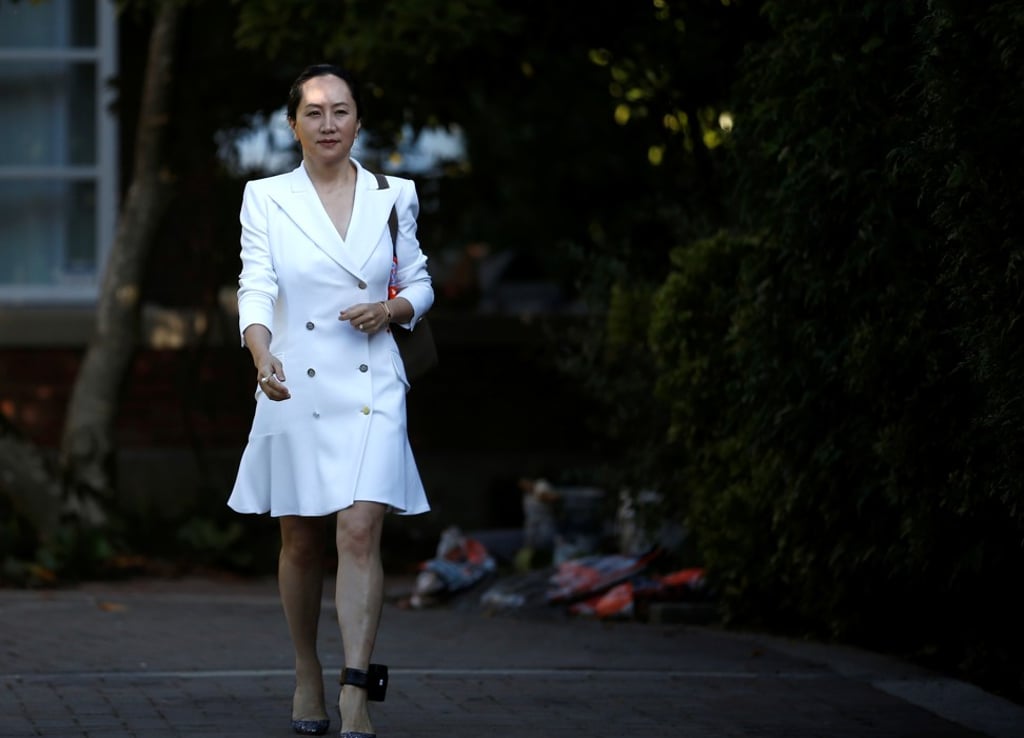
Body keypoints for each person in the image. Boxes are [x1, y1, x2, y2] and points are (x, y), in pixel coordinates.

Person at [227, 63, 433, 738]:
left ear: (357, 121)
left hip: (373, 380)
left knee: (360, 529)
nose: (327, 124)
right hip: (293, 379)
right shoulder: (265, 197)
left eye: (339, 111)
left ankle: (353, 689)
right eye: (313, 112)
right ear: (293, 125)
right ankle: (306, 670)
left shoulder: (392, 193)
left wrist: (393, 308)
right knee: (300, 538)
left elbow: (422, 282)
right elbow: (255, 287)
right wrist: (261, 355)